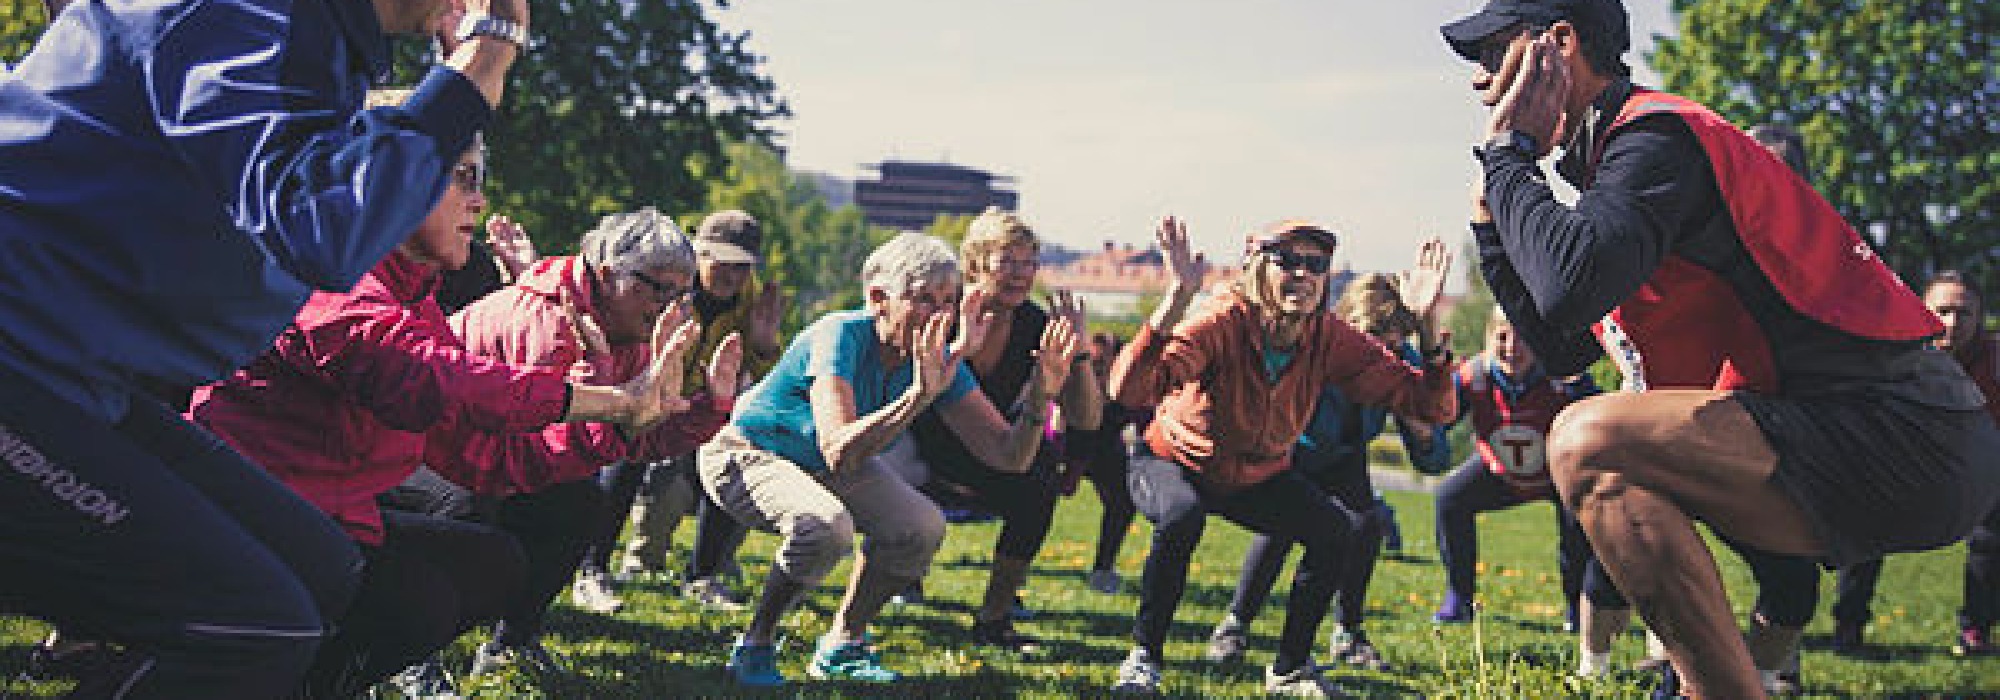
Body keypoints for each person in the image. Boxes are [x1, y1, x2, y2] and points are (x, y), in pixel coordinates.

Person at [1441, 0, 2000, 696]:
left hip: (1905, 430)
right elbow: (1562, 347)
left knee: (1589, 440)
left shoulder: (1657, 139)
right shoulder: (1621, 166)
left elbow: (1569, 286)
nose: (1480, 78)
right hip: (1854, 430)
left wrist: (1507, 153)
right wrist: (1492, 230)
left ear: (1559, 43)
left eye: (1494, 53)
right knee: (1607, 453)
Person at [0, 0, 525, 694]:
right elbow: (324, 225)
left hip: (74, 373)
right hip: (23, 360)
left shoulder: (310, 44)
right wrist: (484, 59)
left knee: (326, 570)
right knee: (256, 625)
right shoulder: (245, 15)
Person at [189, 127, 700, 697]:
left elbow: (486, 458)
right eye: (462, 178)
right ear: (384, 180)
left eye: (479, 178)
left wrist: (628, 425)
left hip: (333, 516)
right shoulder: (329, 276)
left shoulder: (418, 297)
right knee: (418, 587)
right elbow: (429, 377)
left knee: (492, 563)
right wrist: (613, 403)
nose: (479, 200)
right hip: (241, 516)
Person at [696, 232, 1079, 687]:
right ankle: (756, 643)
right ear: (879, 299)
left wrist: (1041, 395)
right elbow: (839, 449)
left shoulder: (938, 361)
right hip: (748, 453)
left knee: (921, 528)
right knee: (826, 526)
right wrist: (918, 395)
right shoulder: (839, 334)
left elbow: (1008, 456)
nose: (940, 315)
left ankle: (843, 642)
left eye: (948, 301)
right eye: (924, 299)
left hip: (826, 464)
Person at [1107, 217, 1457, 696]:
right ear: (1256, 268)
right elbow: (1129, 389)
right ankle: (1143, 659)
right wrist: (1175, 302)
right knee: (1182, 515)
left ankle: (1290, 669)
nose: (1303, 274)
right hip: (1173, 459)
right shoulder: (1222, 321)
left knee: (1336, 529)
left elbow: (1431, 407)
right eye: (1288, 260)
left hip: (1252, 476)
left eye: (1316, 264)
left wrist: (1427, 325)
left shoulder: (1326, 336)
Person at [438, 207, 741, 682]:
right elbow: (529, 453)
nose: (670, 306)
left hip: (497, 458)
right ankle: (415, 655)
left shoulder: (628, 330)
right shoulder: (549, 322)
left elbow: (639, 440)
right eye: (658, 289)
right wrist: (617, 415)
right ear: (605, 274)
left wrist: (710, 406)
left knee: (580, 504)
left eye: (682, 294)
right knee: (477, 521)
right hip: (434, 457)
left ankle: (510, 644)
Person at [1206, 269, 1454, 672]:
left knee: (1365, 525)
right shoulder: (1321, 347)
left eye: (1395, 343)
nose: (1383, 355)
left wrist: (1422, 431)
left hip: (1346, 455)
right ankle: (1235, 624)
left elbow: (1435, 461)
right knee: (1280, 528)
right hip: (1296, 450)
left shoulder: (1402, 362)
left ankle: (1348, 633)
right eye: (1375, 340)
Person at [895, 208, 1103, 652]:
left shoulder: (1035, 325)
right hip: (919, 441)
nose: (1020, 274)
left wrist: (1080, 354)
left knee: (1038, 482)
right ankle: (901, 574)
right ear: (975, 263)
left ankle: (995, 616)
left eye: (1029, 263)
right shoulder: (943, 311)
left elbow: (1086, 419)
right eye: (1007, 261)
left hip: (990, 447)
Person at [590, 209, 787, 612]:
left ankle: (703, 576)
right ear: (699, 254)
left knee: (734, 460)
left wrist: (764, 346)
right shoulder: (669, 285)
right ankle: (593, 569)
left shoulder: (753, 303)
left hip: (703, 408)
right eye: (721, 260)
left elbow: (761, 377)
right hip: (648, 392)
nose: (731, 274)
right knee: (625, 459)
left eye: (741, 266)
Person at [1428, 308, 1599, 633]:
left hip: (1555, 475)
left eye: (1522, 338)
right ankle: (1459, 597)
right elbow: (1439, 417)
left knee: (1577, 519)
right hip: (1499, 472)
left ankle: (1578, 604)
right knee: (1450, 497)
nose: (1512, 347)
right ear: (1488, 339)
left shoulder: (1562, 377)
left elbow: (1597, 420)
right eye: (1502, 337)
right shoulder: (1473, 376)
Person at [1063, 332, 1144, 594]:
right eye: (1092, 368)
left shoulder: (1127, 399)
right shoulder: (1068, 389)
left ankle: (1103, 567)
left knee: (1123, 498)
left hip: (1102, 451)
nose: (1096, 377)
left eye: (1101, 369)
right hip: (1062, 443)